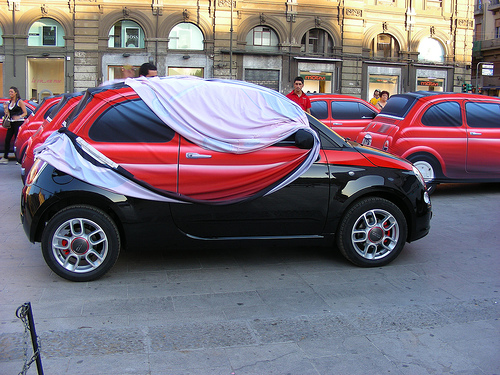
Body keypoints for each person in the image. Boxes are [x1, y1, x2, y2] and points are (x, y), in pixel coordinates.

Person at [1, 87, 27, 164]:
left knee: (17, 140)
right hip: (11, 122)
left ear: (15, 93)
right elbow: (8, 114)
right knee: (7, 139)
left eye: (11, 92)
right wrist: (5, 109)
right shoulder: (9, 102)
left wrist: (19, 117)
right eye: (9, 92)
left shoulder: (19, 102)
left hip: (18, 123)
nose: (10, 93)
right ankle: (5, 157)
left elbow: (25, 112)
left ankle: (18, 159)